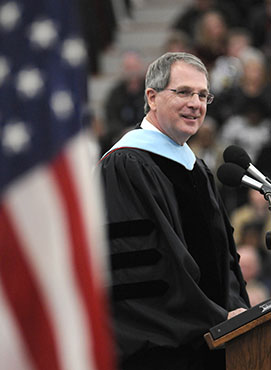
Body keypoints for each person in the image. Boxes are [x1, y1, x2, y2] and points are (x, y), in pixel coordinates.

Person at [99, 52, 249, 370]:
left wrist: (236, 312)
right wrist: (217, 317)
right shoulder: (126, 165)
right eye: (183, 92)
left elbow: (225, 258)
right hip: (161, 352)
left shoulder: (198, 168)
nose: (196, 103)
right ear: (151, 97)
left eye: (202, 95)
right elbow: (147, 270)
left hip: (218, 343)